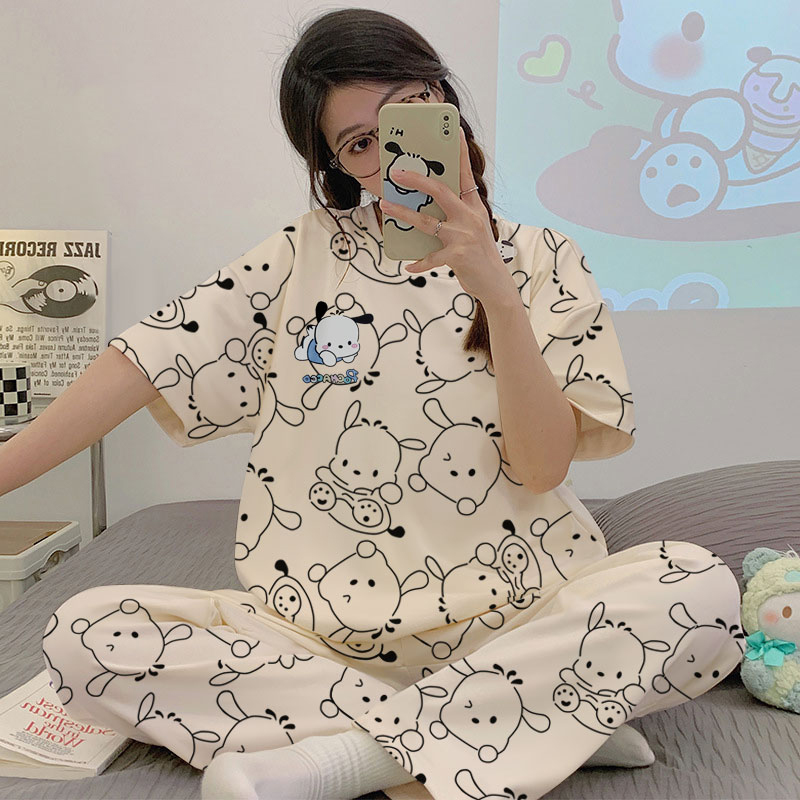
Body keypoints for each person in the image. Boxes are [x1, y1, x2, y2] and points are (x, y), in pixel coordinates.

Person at [2, 8, 745, 800]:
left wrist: (496, 291)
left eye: (407, 114)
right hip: (315, 643)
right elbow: (144, 360)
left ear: (443, 104)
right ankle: (529, 720)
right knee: (84, 637)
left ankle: (359, 755)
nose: (391, 154)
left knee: (696, 590)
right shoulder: (301, 256)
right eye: (359, 142)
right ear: (336, 166)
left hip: (522, 620)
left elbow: (542, 466)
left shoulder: (545, 258)